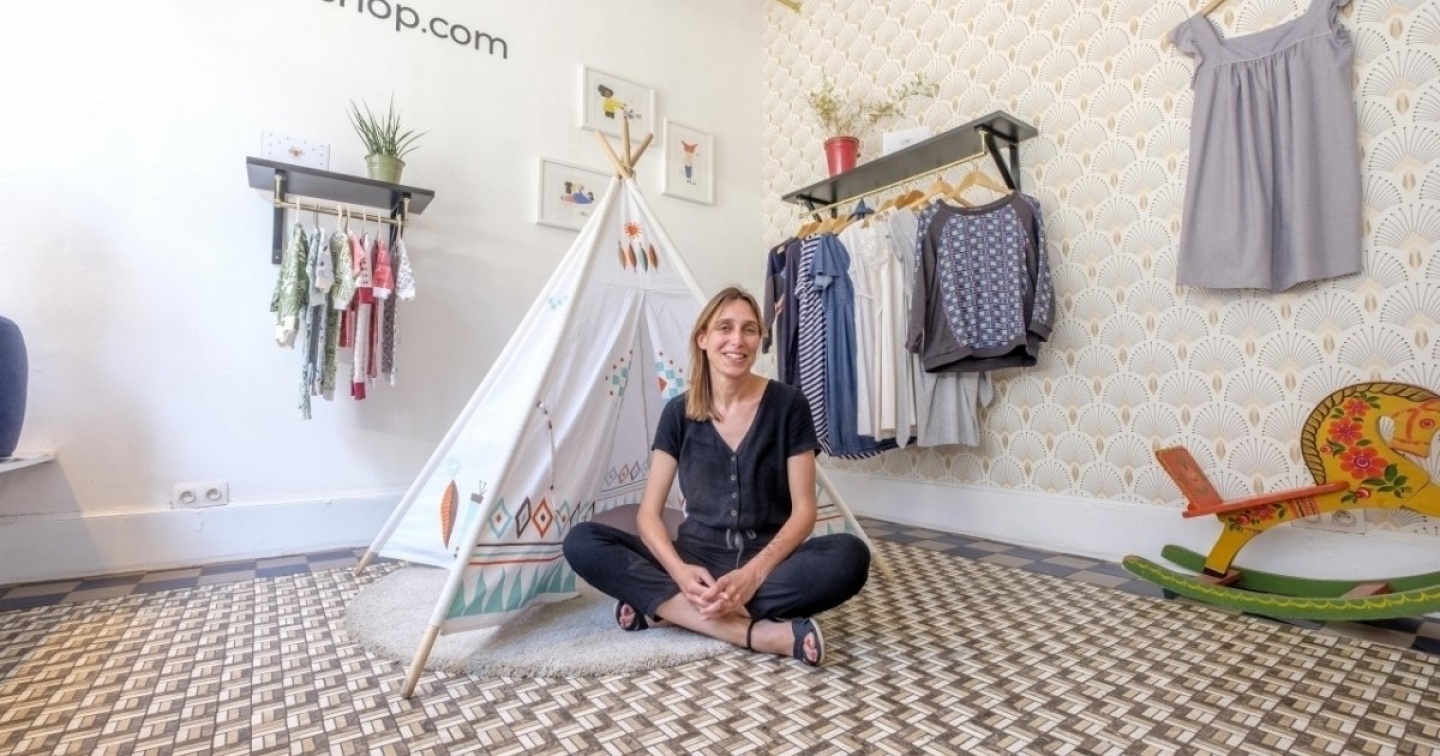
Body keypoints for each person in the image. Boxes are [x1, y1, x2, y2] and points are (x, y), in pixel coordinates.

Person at [563, 286, 871, 666]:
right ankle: (752, 633)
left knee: (850, 555)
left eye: (749, 329)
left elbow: (804, 512)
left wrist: (752, 576)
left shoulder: (790, 404)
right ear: (703, 338)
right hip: (695, 557)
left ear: (758, 339)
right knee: (582, 540)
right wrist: (680, 572)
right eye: (725, 327)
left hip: (767, 562)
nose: (737, 340)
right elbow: (648, 515)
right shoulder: (677, 413)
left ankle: (667, 610)